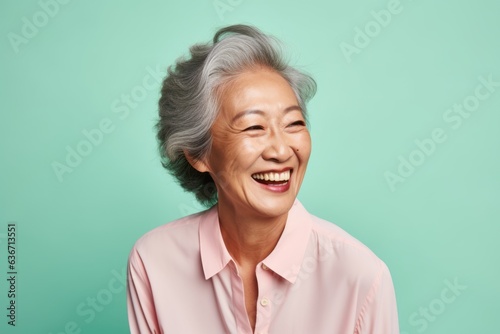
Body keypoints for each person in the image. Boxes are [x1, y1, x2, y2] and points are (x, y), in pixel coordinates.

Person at [127, 24, 399, 334]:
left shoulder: (362, 276)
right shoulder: (154, 262)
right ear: (197, 154)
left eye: (293, 123)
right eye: (254, 127)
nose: (282, 150)